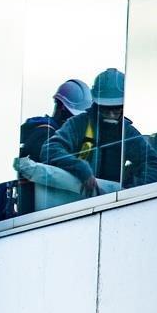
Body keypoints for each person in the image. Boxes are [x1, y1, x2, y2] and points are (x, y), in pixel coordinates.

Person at [42, 68, 157, 196]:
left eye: (116, 109)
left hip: (112, 204)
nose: (111, 115)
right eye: (106, 109)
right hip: (73, 200)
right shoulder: (78, 124)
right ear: (96, 103)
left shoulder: (127, 132)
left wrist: (131, 190)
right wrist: (80, 168)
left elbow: (155, 165)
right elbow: (50, 149)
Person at [17, 79, 92, 213]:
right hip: (35, 206)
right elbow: (50, 163)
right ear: (61, 107)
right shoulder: (44, 133)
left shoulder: (60, 136)